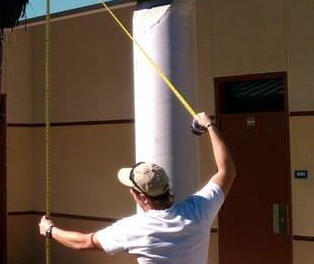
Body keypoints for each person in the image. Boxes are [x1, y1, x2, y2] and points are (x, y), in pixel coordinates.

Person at [38, 112, 235, 263]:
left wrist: (49, 230)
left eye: (131, 189)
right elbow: (227, 171)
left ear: (142, 197)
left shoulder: (135, 228)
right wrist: (209, 125)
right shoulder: (198, 211)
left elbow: (83, 242)